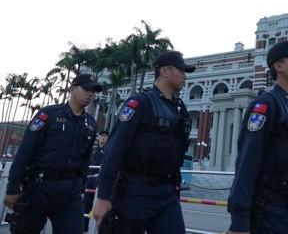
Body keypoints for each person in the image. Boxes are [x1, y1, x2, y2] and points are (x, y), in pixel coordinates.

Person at [92, 51, 195, 233]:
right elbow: (115, 149)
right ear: (164, 71)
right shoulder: (140, 104)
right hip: (134, 191)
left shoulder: (180, 110)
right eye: (181, 71)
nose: (185, 76)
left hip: (167, 194)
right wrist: (103, 196)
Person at [228, 41, 288, 234]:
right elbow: (246, 163)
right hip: (271, 214)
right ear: (278, 66)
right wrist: (239, 222)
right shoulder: (265, 106)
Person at [4, 74, 100, 234]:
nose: (90, 94)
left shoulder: (90, 124)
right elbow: (25, 152)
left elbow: (85, 160)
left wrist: (79, 187)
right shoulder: (49, 115)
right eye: (86, 89)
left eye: (93, 91)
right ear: (72, 88)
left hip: (70, 192)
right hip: (40, 187)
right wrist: (12, 188)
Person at [84, 131, 109, 232]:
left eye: (105, 136)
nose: (103, 139)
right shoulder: (94, 151)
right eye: (101, 136)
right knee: (86, 203)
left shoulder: (108, 151)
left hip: (98, 180)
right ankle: (84, 227)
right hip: (89, 179)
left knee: (96, 206)